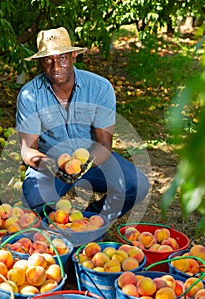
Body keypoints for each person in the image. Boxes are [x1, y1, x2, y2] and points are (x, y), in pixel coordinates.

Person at [16, 27, 150, 222]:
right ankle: (58, 226)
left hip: (90, 158)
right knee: (36, 199)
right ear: (40, 62)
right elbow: (28, 151)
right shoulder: (30, 95)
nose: (55, 66)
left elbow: (104, 145)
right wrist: (53, 166)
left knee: (136, 185)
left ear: (73, 56)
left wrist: (85, 165)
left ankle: (91, 219)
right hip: (52, 161)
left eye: (62, 58)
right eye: (48, 60)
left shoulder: (99, 87)